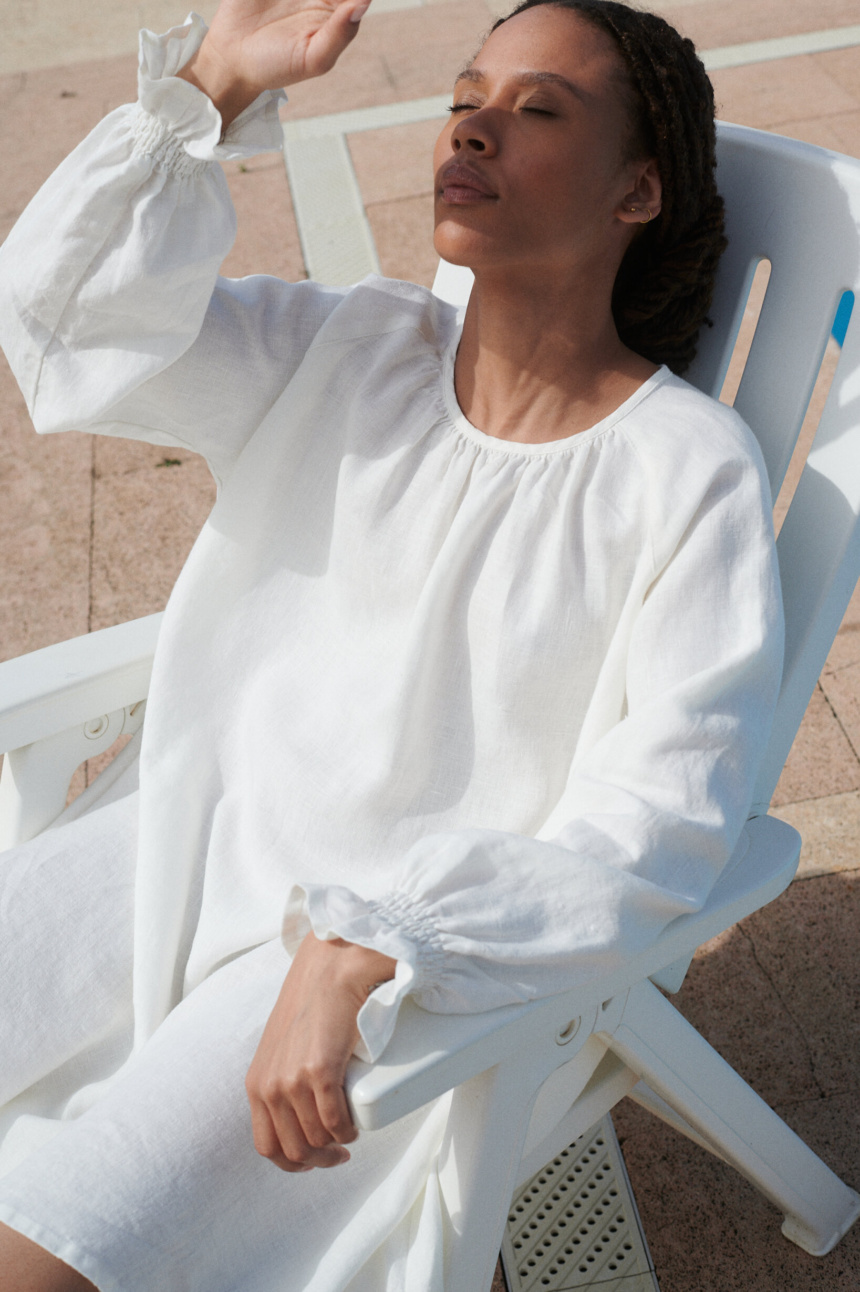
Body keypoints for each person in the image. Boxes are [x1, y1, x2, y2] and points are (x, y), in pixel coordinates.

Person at [0, 0, 783, 1288]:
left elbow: (663, 820)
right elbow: (69, 332)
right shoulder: (350, 346)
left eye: (539, 111)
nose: (473, 122)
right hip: (162, 859)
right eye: (467, 94)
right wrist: (212, 88)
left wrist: (376, 940)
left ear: (638, 190)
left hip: (360, 976)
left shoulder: (682, 474)